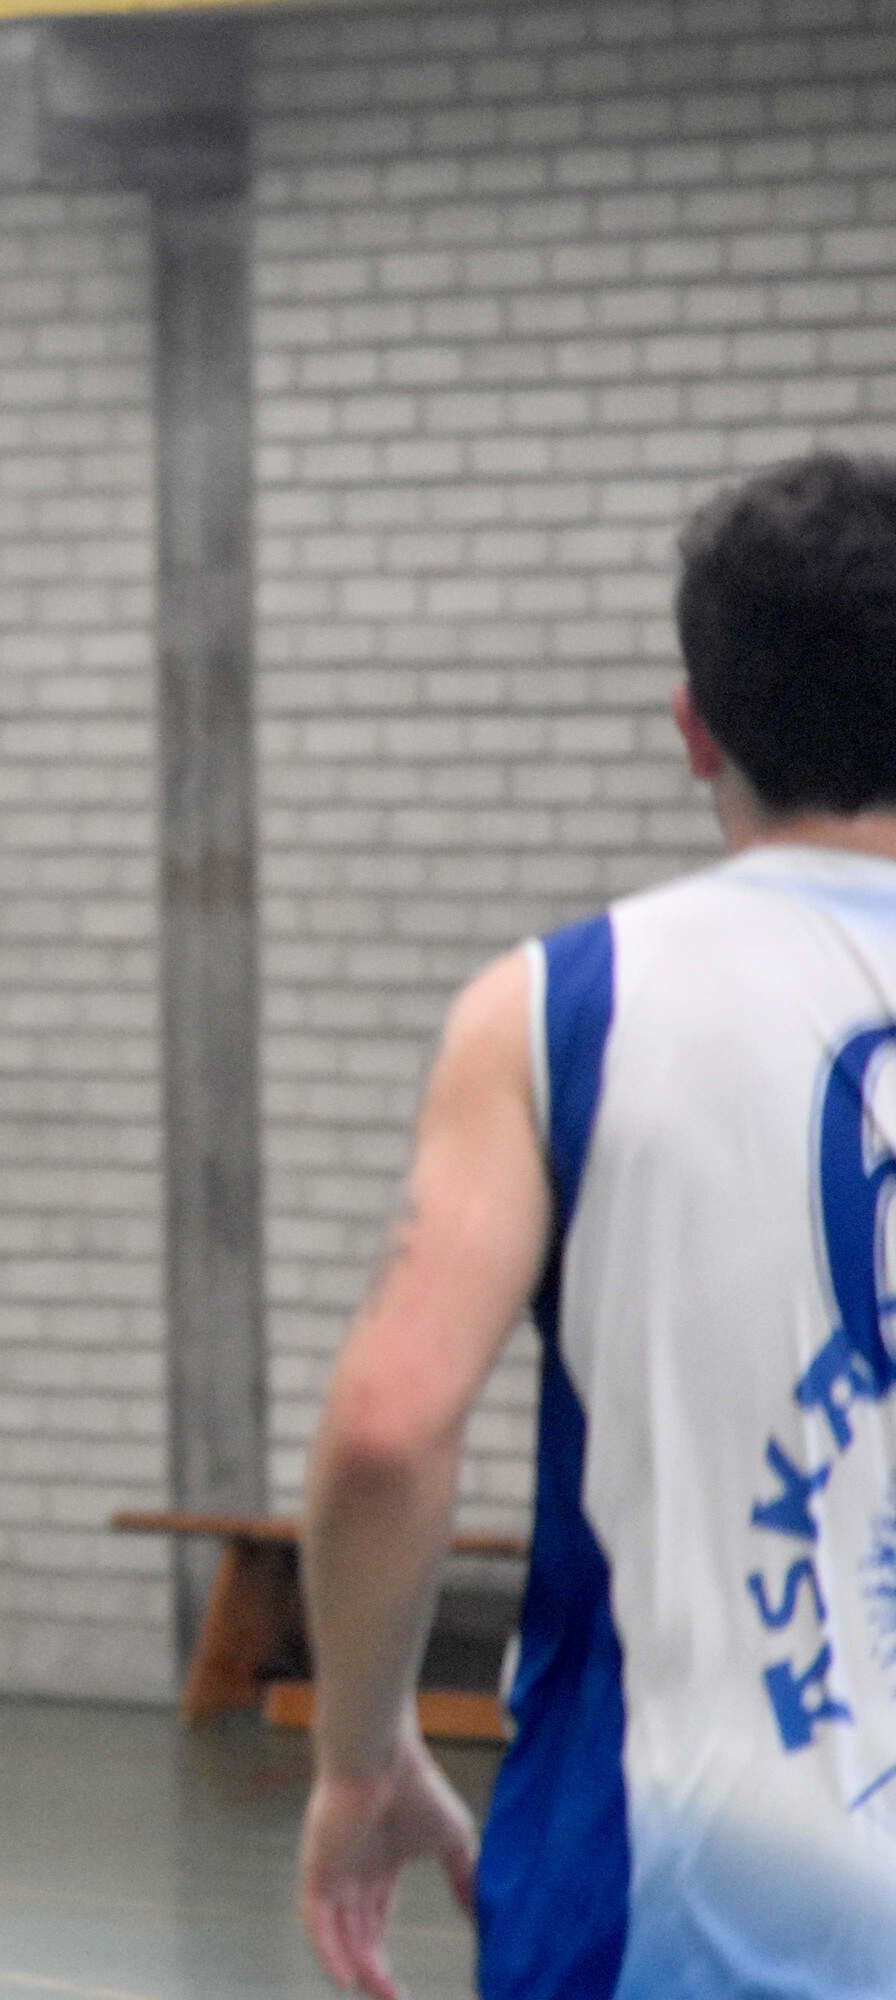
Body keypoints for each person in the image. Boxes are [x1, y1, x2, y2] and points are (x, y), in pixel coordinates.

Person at [296, 452, 896, 2000]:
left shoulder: (568, 1009)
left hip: (675, 1896)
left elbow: (387, 1424)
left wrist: (359, 1755)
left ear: (694, 724)